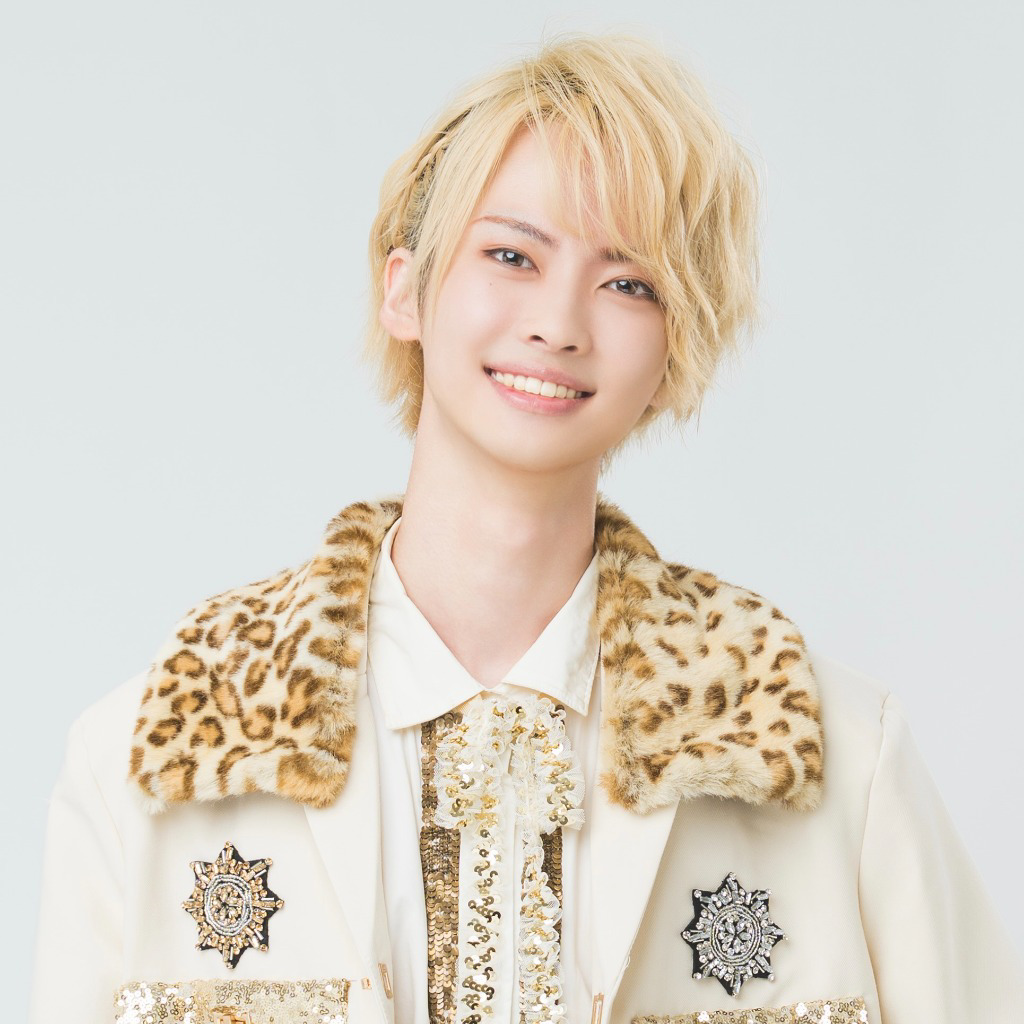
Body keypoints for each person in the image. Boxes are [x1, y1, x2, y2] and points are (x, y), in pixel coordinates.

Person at [28, 30, 1022, 1024]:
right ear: (405, 289)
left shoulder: (836, 760)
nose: (558, 324)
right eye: (511, 255)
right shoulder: (144, 768)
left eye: (629, 283)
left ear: (674, 348)